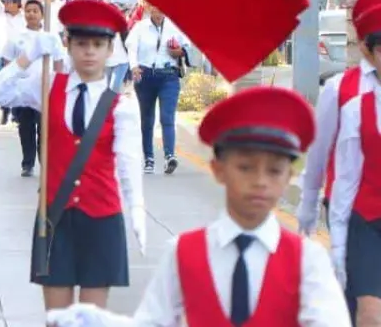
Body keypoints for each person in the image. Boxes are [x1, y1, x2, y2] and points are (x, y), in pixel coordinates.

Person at [48, 88, 352, 327]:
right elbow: (153, 321)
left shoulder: (306, 259)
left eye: (274, 171)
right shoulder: (183, 252)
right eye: (245, 168)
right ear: (217, 169)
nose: (260, 182)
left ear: (289, 177)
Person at [0, 0, 145, 313]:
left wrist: (136, 206)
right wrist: (26, 59)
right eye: (81, 43)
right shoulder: (47, 88)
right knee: (57, 320)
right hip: (54, 217)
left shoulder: (121, 105)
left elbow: (128, 163)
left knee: (89, 320)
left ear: (111, 50)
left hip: (102, 217)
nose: (89, 52)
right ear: (67, 44)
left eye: (98, 44)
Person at [298, 0, 381, 236]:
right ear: (365, 48)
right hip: (355, 214)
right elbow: (319, 152)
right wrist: (308, 202)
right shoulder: (340, 90)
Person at [329, 2, 381, 322]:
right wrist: (337, 245)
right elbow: (344, 179)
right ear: (370, 52)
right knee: (370, 311)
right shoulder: (354, 104)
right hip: (367, 218)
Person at [1, 0, 66, 178]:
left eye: (35, 11)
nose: (31, 14)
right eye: (28, 11)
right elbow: (7, 61)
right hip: (23, 90)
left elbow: (59, 61)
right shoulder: (16, 37)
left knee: (45, 129)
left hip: (46, 89)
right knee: (26, 127)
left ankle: (46, 163)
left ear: (42, 14)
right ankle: (27, 163)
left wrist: (59, 84)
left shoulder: (51, 37)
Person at [126, 3, 189, 175]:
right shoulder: (140, 28)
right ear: (148, 9)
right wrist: (134, 67)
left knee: (167, 117)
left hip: (168, 75)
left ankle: (170, 155)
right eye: (155, 8)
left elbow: (185, 48)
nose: (159, 12)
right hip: (145, 76)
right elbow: (131, 48)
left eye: (162, 8)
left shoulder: (174, 26)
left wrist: (178, 51)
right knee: (147, 120)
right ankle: (149, 158)